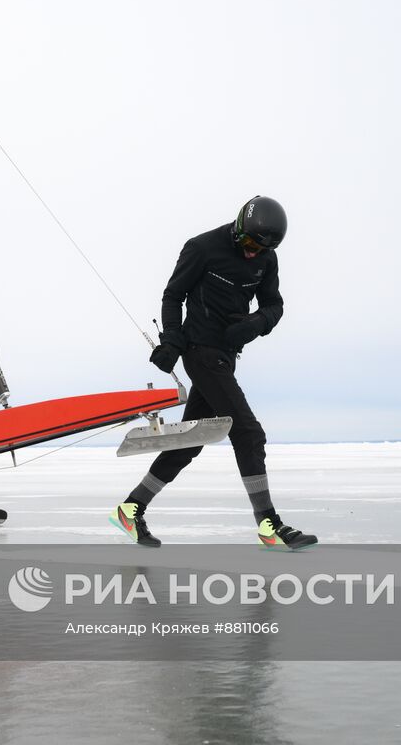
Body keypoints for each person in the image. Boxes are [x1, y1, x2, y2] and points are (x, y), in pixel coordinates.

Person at [109, 195, 319, 550]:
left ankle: (132, 508)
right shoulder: (202, 247)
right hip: (200, 353)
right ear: (239, 229)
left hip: (226, 355)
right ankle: (268, 524)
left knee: (189, 442)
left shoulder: (266, 259)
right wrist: (172, 342)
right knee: (248, 432)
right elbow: (173, 295)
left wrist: (254, 324)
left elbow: (274, 305)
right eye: (251, 244)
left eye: (263, 248)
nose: (254, 253)